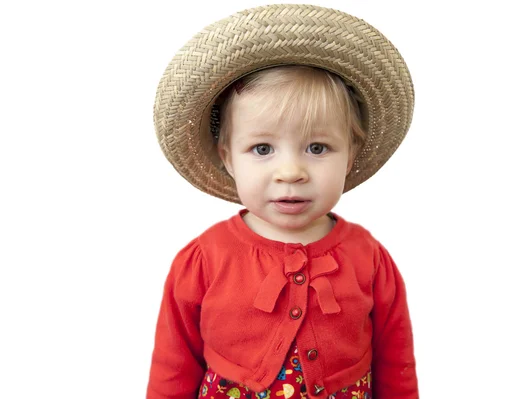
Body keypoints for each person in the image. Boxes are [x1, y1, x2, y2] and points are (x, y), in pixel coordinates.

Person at [147, 4, 418, 399]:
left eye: (317, 147)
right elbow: (173, 365)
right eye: (261, 148)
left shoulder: (370, 259)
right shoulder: (203, 260)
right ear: (227, 157)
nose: (290, 171)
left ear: (351, 155)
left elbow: (397, 365)